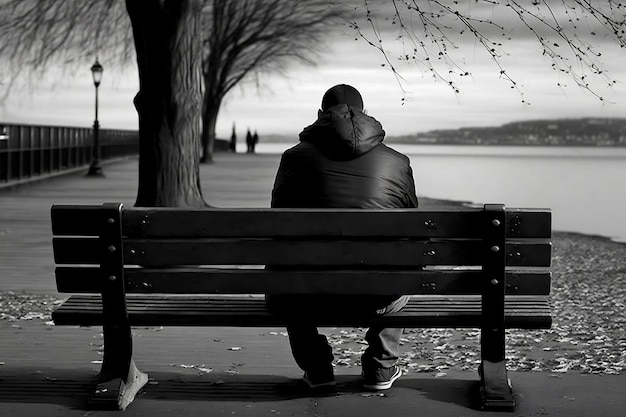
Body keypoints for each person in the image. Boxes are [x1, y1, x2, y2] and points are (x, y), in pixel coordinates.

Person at [266, 84, 418, 391]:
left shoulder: (294, 158)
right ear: (365, 114)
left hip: (308, 292)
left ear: (321, 115)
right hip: (378, 293)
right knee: (401, 264)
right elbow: (412, 227)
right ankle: (381, 366)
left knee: (284, 278)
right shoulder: (397, 161)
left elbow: (278, 217)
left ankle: (318, 367)